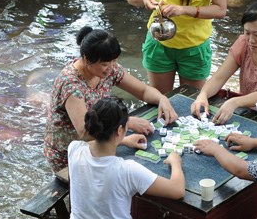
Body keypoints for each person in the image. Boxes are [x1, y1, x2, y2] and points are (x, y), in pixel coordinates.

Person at [66, 98, 184, 219]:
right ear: (120, 130)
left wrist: (122, 141)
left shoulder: (74, 149)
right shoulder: (127, 170)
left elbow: (93, 145)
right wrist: (176, 163)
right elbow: (177, 190)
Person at [43, 26, 179, 173]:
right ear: (87, 59)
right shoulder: (71, 84)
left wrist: (162, 98)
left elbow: (143, 90)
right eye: (105, 64)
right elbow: (84, 132)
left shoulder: (110, 69)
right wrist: (126, 123)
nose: (111, 68)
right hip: (70, 153)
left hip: (102, 138)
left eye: (114, 61)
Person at [191, 1, 257, 123]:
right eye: (247, 33)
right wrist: (203, 95)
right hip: (249, 111)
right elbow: (219, 78)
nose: (251, 40)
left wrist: (234, 102)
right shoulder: (243, 43)